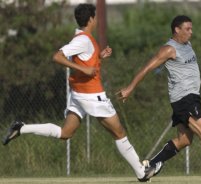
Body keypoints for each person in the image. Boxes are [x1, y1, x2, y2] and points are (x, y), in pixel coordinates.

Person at [2, 3, 154, 182]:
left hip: (78, 94)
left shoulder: (84, 39)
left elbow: (85, 60)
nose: (96, 20)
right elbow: (57, 56)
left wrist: (99, 57)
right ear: (90, 19)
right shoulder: (82, 40)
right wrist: (83, 70)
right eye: (95, 17)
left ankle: (21, 128)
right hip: (91, 95)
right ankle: (141, 172)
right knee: (119, 132)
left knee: (65, 133)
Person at [117, 15, 201, 181]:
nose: (191, 32)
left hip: (190, 97)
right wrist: (130, 88)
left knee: (184, 140)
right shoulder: (168, 49)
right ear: (176, 30)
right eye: (187, 29)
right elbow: (146, 68)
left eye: (191, 28)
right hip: (184, 99)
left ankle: (150, 166)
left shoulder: (187, 44)